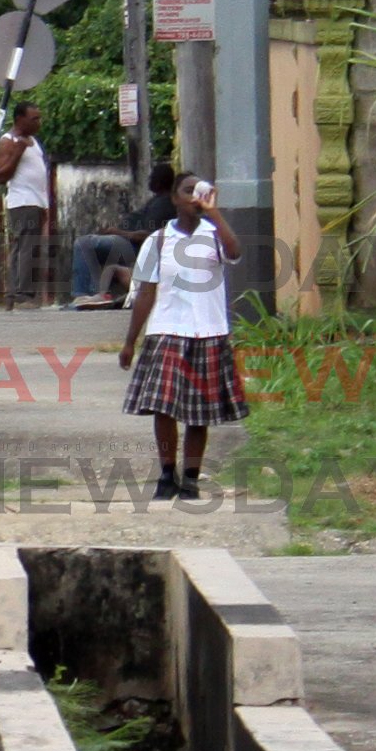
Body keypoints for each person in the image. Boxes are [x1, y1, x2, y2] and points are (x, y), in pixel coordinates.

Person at [118, 172, 250, 503]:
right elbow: (146, 291)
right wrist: (130, 341)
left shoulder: (214, 234)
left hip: (208, 331)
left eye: (200, 191)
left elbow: (234, 252)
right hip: (167, 331)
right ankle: (167, 473)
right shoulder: (158, 241)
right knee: (163, 407)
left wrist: (214, 213)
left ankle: (190, 478)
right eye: (188, 191)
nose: (194, 196)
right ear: (175, 199)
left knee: (199, 412)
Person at [0, 101, 53, 308]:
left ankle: (19, 294)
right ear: (20, 119)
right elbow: (0, 175)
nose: (38, 122)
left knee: (30, 247)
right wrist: (17, 152)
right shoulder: (9, 141)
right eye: (34, 118)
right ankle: (21, 294)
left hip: (35, 202)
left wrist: (44, 204)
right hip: (22, 202)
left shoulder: (33, 141)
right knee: (26, 247)